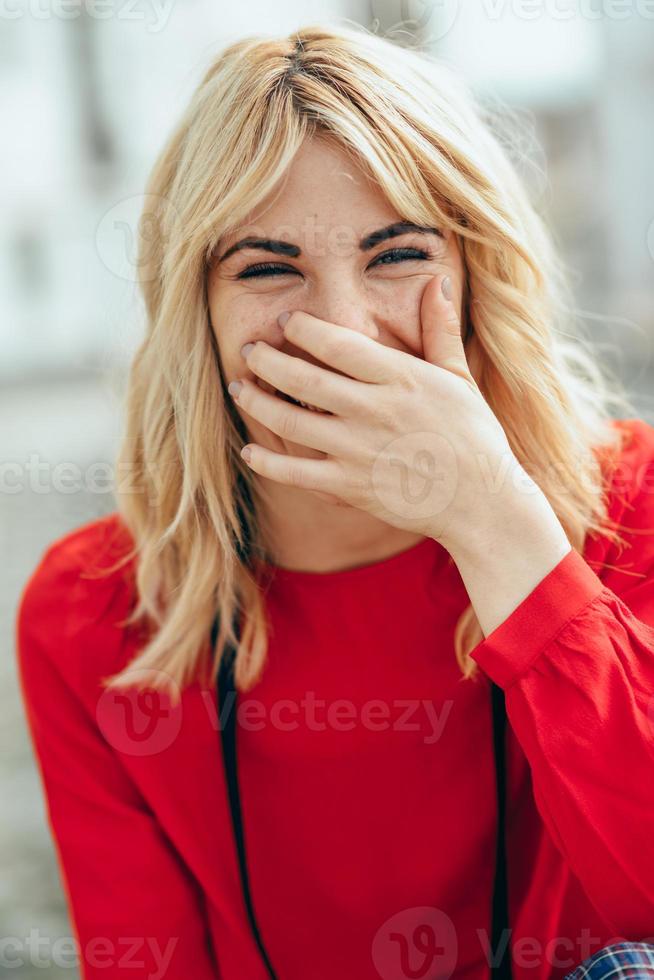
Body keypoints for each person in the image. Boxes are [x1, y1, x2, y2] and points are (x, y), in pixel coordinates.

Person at [15, 22, 654, 980]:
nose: (340, 331)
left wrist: (493, 521)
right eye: (267, 269)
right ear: (196, 312)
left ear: (478, 278)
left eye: (396, 256)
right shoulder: (90, 613)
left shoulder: (629, 504)